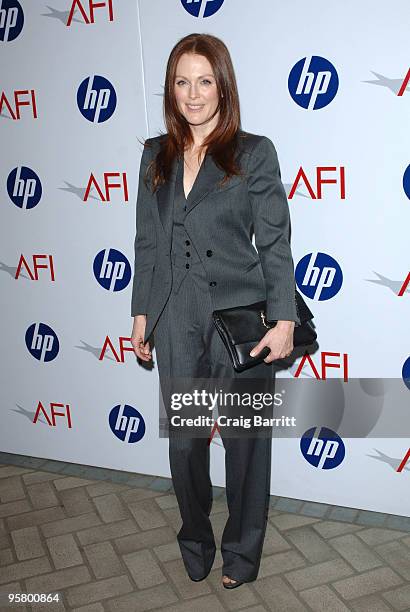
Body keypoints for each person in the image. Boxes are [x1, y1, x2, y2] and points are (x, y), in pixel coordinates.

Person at [130, 33, 300, 589]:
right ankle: (195, 538)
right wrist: (141, 316)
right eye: (182, 81)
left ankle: (242, 557)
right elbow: (149, 243)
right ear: (170, 89)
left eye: (205, 80)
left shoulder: (253, 151)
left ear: (223, 85)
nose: (193, 93)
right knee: (185, 446)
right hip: (176, 318)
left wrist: (284, 319)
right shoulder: (155, 154)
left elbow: (275, 241)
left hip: (238, 319)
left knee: (246, 446)